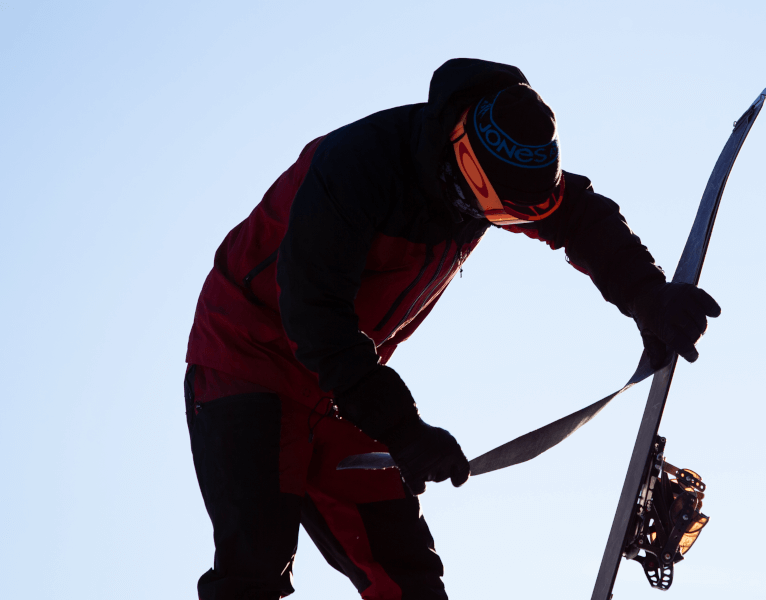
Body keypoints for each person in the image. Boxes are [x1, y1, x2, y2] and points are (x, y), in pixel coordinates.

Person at [184, 58, 721, 600]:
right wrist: (403, 429)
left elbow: (581, 220)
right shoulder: (356, 170)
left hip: (340, 389)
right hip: (247, 361)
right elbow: (314, 315)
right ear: (461, 159)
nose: (498, 222)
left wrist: (647, 295)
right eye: (496, 211)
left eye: (512, 217)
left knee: (406, 572)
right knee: (253, 567)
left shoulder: (496, 170)